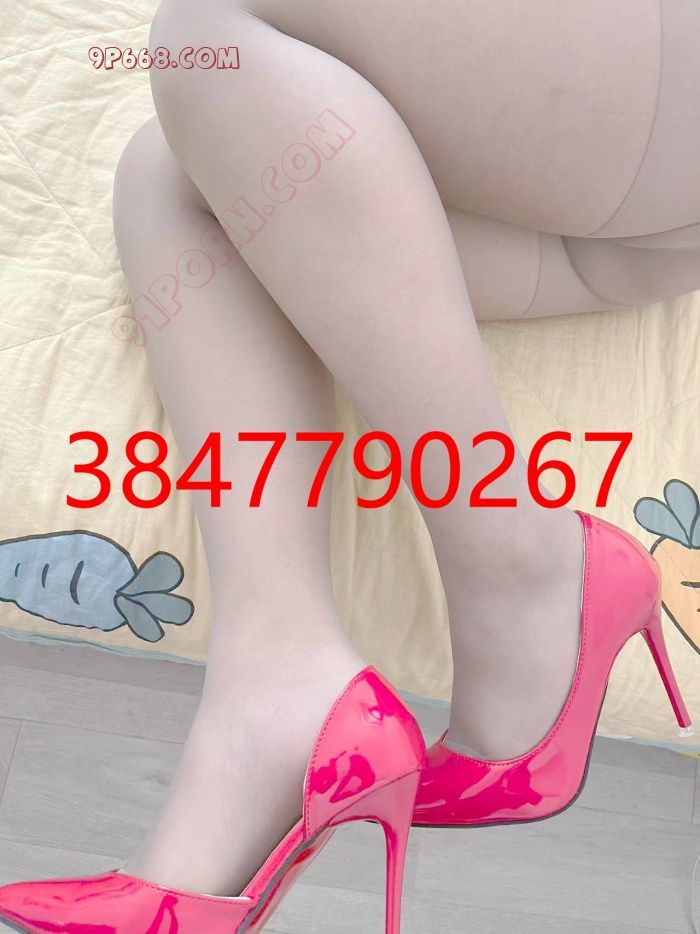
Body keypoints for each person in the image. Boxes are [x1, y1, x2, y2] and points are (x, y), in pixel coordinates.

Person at [0, 1, 696, 930]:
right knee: (174, 170)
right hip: (608, 203)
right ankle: (276, 679)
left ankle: (519, 560)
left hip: (647, 142)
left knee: (209, 37)